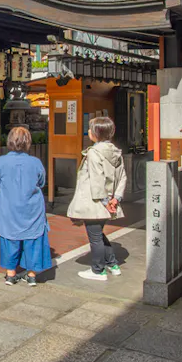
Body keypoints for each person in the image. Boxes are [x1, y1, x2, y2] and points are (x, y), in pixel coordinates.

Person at [67, 116, 127, 281]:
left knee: (95, 238)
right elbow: (122, 177)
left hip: (95, 202)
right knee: (99, 234)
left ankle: (98, 270)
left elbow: (96, 180)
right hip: (110, 200)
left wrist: (105, 202)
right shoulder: (116, 152)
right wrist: (116, 198)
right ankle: (112, 264)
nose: (88, 131)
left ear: (95, 133)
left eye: (90, 129)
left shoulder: (94, 153)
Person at [0, 127, 51, 287]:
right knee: (33, 239)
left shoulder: (1, 161)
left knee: (9, 238)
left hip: (9, 207)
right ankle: (31, 275)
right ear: (28, 142)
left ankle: (10, 274)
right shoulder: (35, 162)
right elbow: (41, 182)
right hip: (32, 208)